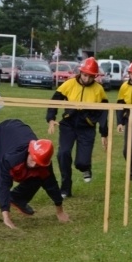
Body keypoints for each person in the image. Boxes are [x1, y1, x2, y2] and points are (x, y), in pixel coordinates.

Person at [0, 119, 69, 229]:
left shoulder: (44, 162)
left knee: (39, 175)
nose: (34, 164)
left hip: (15, 130)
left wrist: (60, 211)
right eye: (33, 160)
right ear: (29, 151)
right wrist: (6, 217)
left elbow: (51, 185)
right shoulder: (11, 158)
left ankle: (18, 199)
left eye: (38, 163)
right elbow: (3, 185)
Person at [46, 57, 108, 198]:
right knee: (63, 154)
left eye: (91, 76)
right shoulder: (69, 84)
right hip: (68, 124)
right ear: (80, 72)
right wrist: (51, 118)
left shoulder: (99, 90)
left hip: (87, 127)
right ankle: (65, 187)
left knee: (81, 162)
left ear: (95, 76)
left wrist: (104, 133)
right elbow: (55, 100)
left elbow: (104, 112)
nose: (87, 79)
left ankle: (86, 168)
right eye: (85, 75)